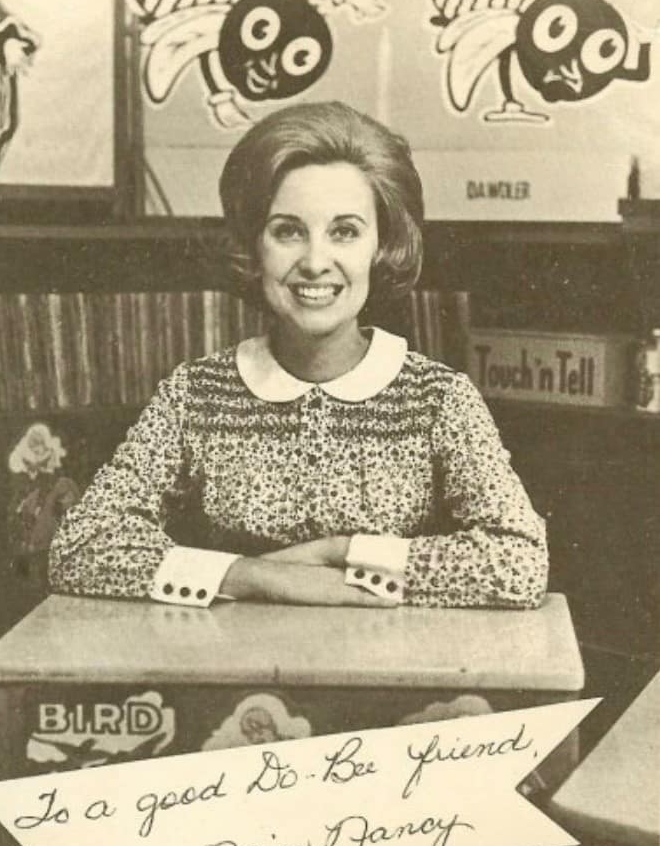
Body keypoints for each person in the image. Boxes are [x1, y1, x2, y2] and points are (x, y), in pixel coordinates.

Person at [49, 101, 547, 610]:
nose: (314, 262)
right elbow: (81, 545)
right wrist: (258, 577)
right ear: (254, 245)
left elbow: (519, 562)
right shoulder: (194, 394)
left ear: (383, 246)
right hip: (230, 667)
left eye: (345, 232)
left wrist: (344, 554)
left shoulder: (438, 398)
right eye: (288, 230)